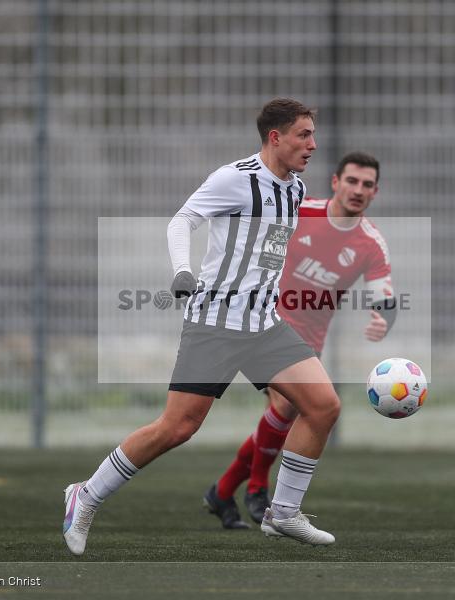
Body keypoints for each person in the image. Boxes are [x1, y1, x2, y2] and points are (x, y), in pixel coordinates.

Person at [63, 98, 339, 555]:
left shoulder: (294, 188)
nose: (313, 143)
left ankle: (284, 513)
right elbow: (183, 221)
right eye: (304, 134)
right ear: (276, 137)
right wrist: (182, 270)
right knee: (177, 427)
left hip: (264, 325)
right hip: (215, 323)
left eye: (313, 134)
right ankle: (85, 495)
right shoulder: (235, 178)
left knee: (324, 406)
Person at [202, 152, 396, 529]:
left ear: (375, 192)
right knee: (287, 407)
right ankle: (257, 489)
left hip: (310, 339)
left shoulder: (371, 243)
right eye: (352, 181)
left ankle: (222, 492)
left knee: (283, 413)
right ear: (336, 182)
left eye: (367, 185)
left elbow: (384, 296)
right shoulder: (299, 211)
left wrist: (382, 318)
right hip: (264, 321)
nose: (358, 190)